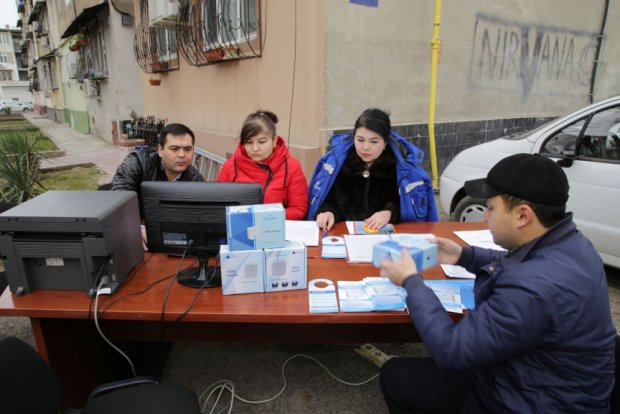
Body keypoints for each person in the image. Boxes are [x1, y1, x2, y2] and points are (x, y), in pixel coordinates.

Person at [379, 153, 616, 413]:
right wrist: (464, 255)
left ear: (522, 216)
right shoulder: (572, 243)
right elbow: (520, 260)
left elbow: (451, 350)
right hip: (553, 381)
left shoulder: (532, 290)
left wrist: (411, 282)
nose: (484, 217)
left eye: (491, 208)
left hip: (531, 402)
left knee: (396, 375)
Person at [307, 108, 437, 232]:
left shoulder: (404, 171)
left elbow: (413, 211)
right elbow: (327, 200)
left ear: (385, 143)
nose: (365, 147)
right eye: (360, 140)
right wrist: (328, 212)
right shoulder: (336, 164)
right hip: (342, 237)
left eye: (374, 142)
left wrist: (390, 213)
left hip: (386, 242)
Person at [217, 110, 308, 220]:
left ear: (274, 141)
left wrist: (265, 216)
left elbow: (299, 209)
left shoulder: (291, 167)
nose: (255, 148)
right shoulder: (230, 166)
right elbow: (220, 207)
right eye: (249, 142)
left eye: (261, 142)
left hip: (276, 231)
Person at [111, 122, 204, 212]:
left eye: (188, 149)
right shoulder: (138, 162)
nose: (182, 155)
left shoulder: (195, 180)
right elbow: (120, 196)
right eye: (174, 149)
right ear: (160, 150)